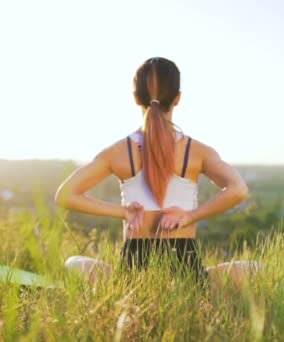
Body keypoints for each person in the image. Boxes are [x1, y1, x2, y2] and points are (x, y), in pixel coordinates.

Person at [56, 57, 260, 289]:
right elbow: (238, 190)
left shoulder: (116, 153)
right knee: (256, 271)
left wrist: (124, 212)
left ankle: (129, 292)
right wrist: (190, 216)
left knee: (74, 263)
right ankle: (203, 292)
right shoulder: (198, 152)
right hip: (187, 272)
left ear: (135, 98)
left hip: (133, 277)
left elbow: (65, 195)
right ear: (177, 98)